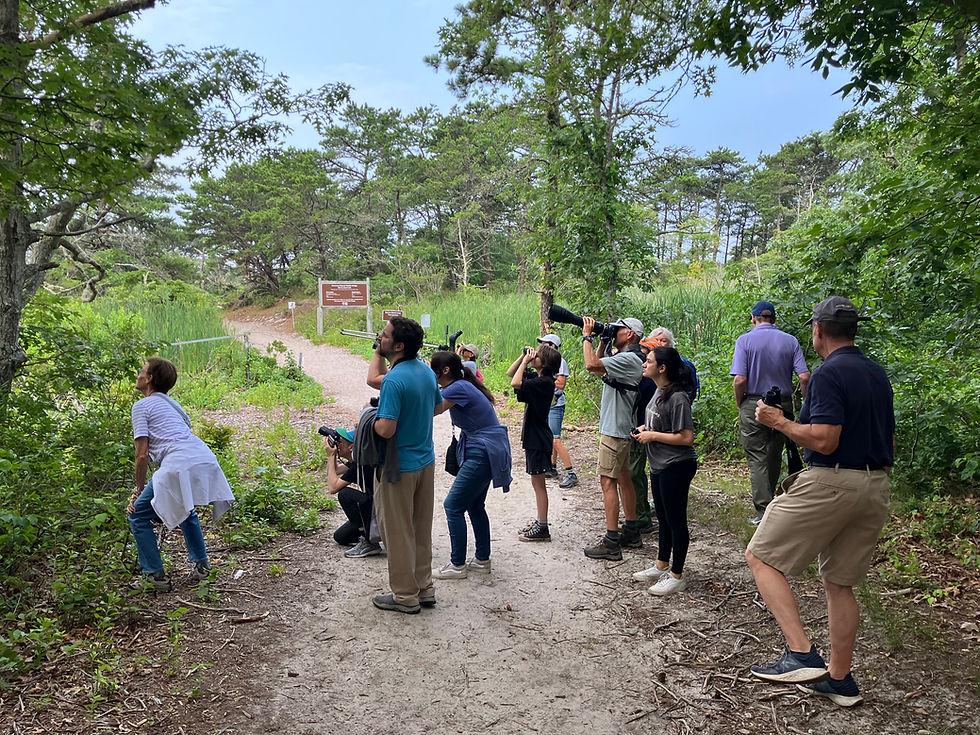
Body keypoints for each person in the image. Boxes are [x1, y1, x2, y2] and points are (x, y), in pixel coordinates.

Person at [747, 296, 893, 708]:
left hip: (832, 480)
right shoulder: (875, 373)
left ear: (818, 331)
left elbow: (826, 438)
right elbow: (889, 438)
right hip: (875, 484)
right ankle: (841, 681)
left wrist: (778, 422)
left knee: (761, 556)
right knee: (839, 582)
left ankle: (800, 654)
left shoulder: (830, 374)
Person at [127, 358, 234, 593]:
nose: (138, 374)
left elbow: (142, 454)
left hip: (179, 462)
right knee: (185, 507)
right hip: (202, 455)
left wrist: (138, 489)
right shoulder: (174, 405)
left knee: (138, 516)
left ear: (150, 378)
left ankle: (154, 575)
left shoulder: (141, 406)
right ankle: (202, 565)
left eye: (141, 371)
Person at [368, 316, 443, 614]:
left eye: (384, 336)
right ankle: (425, 588)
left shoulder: (395, 380)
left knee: (397, 533)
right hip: (425, 461)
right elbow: (437, 407)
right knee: (420, 528)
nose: (380, 339)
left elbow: (385, 429)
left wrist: (366, 422)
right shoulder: (425, 371)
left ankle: (404, 596)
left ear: (398, 345)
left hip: (398, 467)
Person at [430, 351, 512, 578]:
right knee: (475, 506)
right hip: (487, 448)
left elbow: (434, 409)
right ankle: (482, 559)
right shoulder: (463, 383)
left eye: (432, 370)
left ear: (444, 371)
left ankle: (457, 565)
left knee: (452, 506)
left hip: (481, 451)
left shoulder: (458, 388)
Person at [731, 300, 810, 525]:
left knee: (757, 457)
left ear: (753, 318)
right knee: (775, 453)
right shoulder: (790, 341)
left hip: (753, 401)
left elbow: (740, 379)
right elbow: (804, 376)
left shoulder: (744, 341)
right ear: (774, 319)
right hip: (781, 405)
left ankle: (763, 512)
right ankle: (773, 504)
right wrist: (806, 403)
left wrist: (741, 402)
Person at [631, 347, 698, 596]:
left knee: (676, 520)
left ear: (662, 368)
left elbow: (687, 437)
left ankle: (676, 575)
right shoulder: (659, 391)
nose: (644, 364)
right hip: (659, 463)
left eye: (648, 361)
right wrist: (643, 428)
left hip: (677, 465)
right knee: (663, 517)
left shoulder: (678, 397)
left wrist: (652, 435)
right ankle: (661, 564)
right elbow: (659, 421)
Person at [581, 315, 646, 560]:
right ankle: (631, 530)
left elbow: (590, 365)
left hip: (614, 431)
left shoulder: (629, 358)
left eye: (618, 329)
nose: (615, 331)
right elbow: (599, 368)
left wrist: (587, 336)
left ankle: (611, 542)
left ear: (630, 334)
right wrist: (602, 341)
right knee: (623, 477)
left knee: (607, 482)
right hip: (622, 428)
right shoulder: (628, 358)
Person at [508, 343, 561, 541]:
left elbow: (515, 384)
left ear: (544, 363)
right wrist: (522, 358)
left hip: (539, 439)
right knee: (535, 482)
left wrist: (525, 361)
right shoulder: (538, 378)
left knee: (539, 484)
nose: (532, 357)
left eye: (536, 356)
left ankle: (543, 526)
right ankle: (540, 522)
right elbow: (511, 374)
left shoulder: (546, 382)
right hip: (534, 437)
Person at [324, 427, 382, 558]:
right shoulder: (356, 461)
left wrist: (331, 455)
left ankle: (369, 541)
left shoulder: (362, 463)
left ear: (351, 447)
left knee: (345, 494)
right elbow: (334, 471)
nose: (337, 445)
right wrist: (332, 455)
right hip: (373, 507)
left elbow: (333, 487)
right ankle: (366, 535)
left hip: (378, 509)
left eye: (340, 442)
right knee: (340, 537)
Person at [537, 334, 579, 489]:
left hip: (556, 405)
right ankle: (552, 467)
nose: (541, 347)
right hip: (548, 404)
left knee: (555, 439)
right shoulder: (544, 362)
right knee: (551, 437)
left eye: (545, 344)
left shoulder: (559, 361)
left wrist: (543, 380)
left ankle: (570, 473)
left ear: (553, 346)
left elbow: (561, 384)